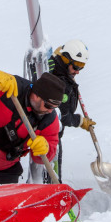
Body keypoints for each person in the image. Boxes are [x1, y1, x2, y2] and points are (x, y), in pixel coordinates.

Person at [29, 39, 96, 183]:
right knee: (51, 171)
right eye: (76, 66)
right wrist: (79, 121)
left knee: (50, 169)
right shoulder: (58, 82)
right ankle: (53, 190)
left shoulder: (59, 68)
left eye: (82, 67)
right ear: (66, 59)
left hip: (52, 132)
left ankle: (52, 187)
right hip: (47, 133)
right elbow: (59, 115)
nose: (77, 71)